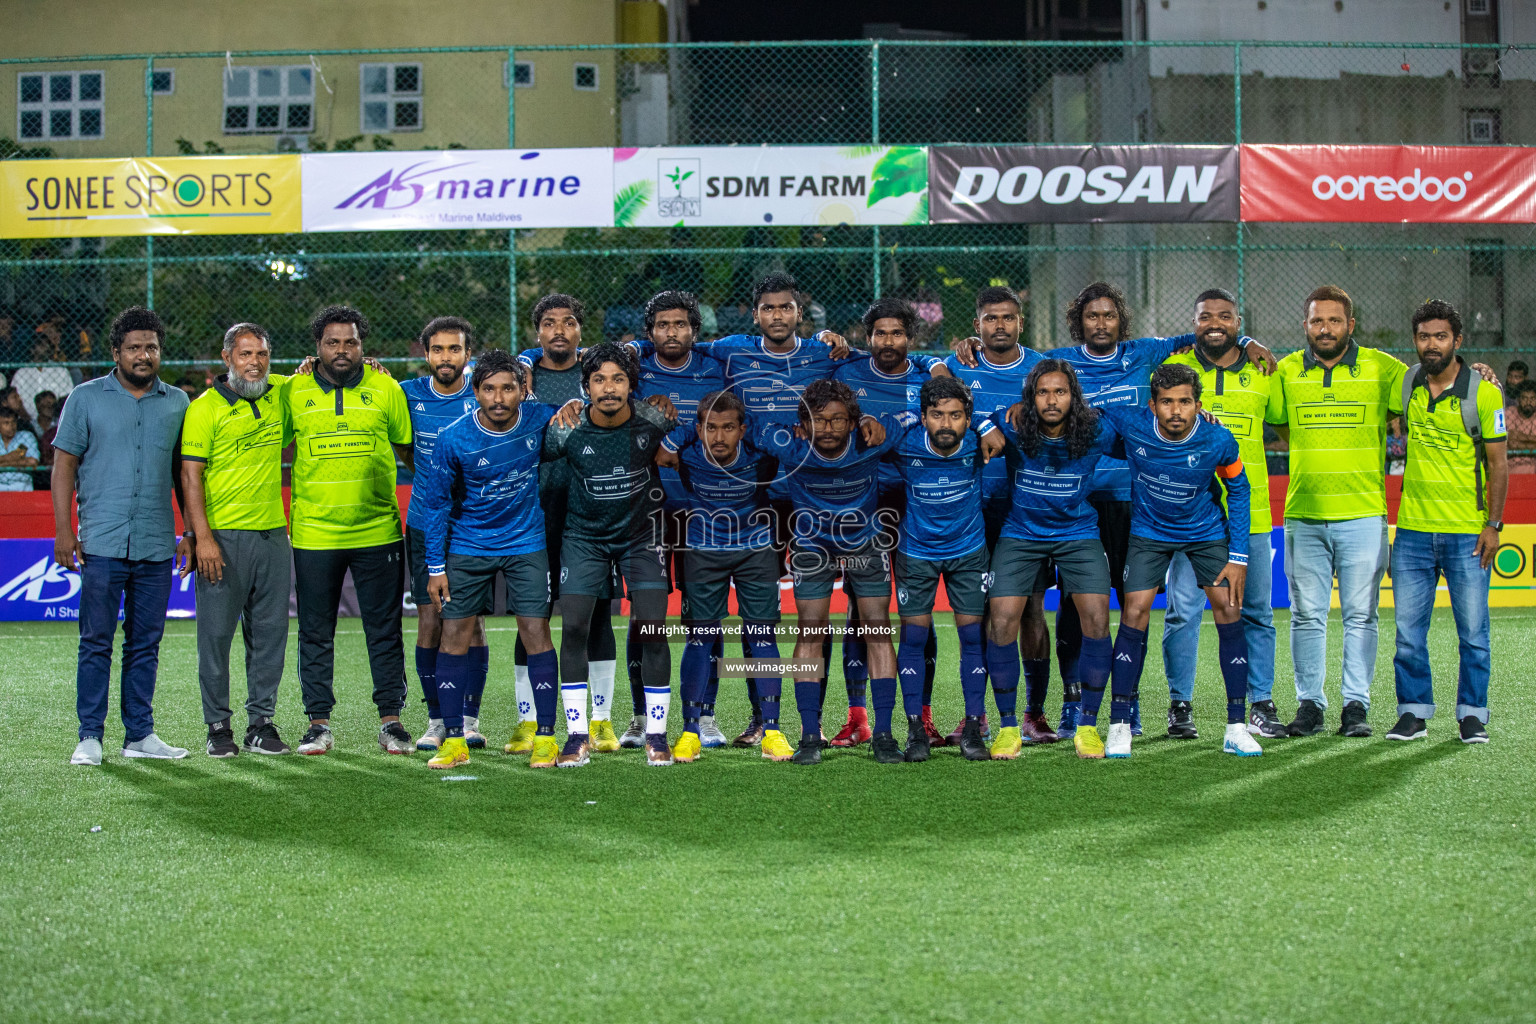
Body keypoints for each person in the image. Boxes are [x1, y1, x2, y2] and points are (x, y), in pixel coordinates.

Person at [708, 271, 859, 746]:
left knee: (817, 613)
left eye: (786, 308)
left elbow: (880, 362)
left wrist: (934, 366)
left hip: (811, 498)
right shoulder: (730, 349)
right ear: (756, 315)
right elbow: (669, 350)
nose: (777, 315)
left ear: (800, 312)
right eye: (768, 308)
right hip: (750, 496)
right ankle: (762, 717)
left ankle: (825, 713)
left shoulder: (824, 353)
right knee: (762, 616)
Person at [1265, 286, 1408, 738]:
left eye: (1333, 320)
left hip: (1365, 515)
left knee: (1361, 615)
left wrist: (1477, 371)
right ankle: (1310, 705)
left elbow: (1434, 381)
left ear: (1351, 324)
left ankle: (1356, 705)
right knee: (1307, 615)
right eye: (1316, 321)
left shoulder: (1384, 368)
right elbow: (1280, 426)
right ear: (1305, 326)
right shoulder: (1285, 372)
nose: (1324, 328)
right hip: (1304, 514)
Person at [53, 306, 193, 766]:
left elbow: (185, 476)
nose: (143, 355)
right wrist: (63, 531)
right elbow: (64, 466)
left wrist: (191, 532)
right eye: (133, 347)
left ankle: (140, 735)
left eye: (151, 347)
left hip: (156, 543)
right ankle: (89, 735)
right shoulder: (85, 398)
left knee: (145, 644)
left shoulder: (178, 403)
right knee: (95, 640)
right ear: (116, 352)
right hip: (101, 542)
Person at [1099, 364, 1260, 759]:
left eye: (1185, 402)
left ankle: (1236, 727)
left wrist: (1238, 557)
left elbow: (1239, 491)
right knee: (1134, 609)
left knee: (1228, 606)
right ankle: (1119, 724)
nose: (1176, 411)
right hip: (1149, 533)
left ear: (1198, 405)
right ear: (1152, 405)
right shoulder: (1131, 421)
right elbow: (1090, 407)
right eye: (1167, 402)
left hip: (1204, 531)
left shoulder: (1219, 439)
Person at [417, 351, 568, 769]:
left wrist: (576, 405)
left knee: (536, 632)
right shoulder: (453, 437)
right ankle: (453, 740)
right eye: (488, 388)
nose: (498, 397)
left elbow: (586, 414)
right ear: (476, 391)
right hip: (468, 545)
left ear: (523, 390)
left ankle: (545, 738)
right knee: (454, 636)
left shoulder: (540, 419)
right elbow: (436, 505)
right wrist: (435, 567)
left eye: (507, 388)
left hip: (526, 543)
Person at [282, 305, 416, 756]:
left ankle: (392, 722)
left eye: (351, 342)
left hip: (378, 531)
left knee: (385, 628)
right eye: (332, 342)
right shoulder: (293, 390)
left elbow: (410, 452)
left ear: (364, 346)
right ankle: (318, 723)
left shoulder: (385, 387)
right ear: (316, 347)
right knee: (315, 631)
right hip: (314, 534)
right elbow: (272, 444)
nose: (342, 350)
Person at [751, 379, 901, 765]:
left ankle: (883, 734)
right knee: (811, 629)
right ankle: (809, 737)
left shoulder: (871, 440)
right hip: (813, 548)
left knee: (877, 629)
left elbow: (911, 418)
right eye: (819, 420)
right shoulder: (792, 445)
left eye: (837, 420)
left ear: (852, 423)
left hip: (865, 545)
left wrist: (873, 418)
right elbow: (746, 424)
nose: (829, 428)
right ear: (804, 424)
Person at [544, 343, 679, 767]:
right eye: (599, 379)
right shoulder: (565, 429)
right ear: (585, 387)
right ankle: (576, 735)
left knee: (654, 630)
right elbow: (530, 449)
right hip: (584, 537)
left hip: (642, 537)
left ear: (631, 386)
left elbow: (689, 440)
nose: (608, 388)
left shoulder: (654, 420)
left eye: (618, 379)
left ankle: (657, 736)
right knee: (575, 629)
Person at [1161, 290, 1284, 740]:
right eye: (1206, 316)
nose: (1216, 323)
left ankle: (1261, 703)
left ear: (1239, 321)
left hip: (1249, 519)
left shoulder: (1265, 369)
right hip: (1190, 517)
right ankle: (1180, 704)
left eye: (1226, 317)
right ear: (1192, 322)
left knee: (1257, 612)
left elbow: (1287, 426)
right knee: (1182, 613)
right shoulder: (1175, 369)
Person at [985, 361, 1119, 760]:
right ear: (1030, 398)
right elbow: (973, 420)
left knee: (1096, 617)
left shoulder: (1096, 429)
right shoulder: (1012, 425)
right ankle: (1009, 727)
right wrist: (983, 425)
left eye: (1060, 392)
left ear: (1073, 397)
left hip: (1078, 533)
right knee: (1003, 618)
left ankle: (1088, 726)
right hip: (1021, 533)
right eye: (1042, 392)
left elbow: (1143, 431)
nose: (1051, 400)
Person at [1387, 300, 1507, 745]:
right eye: (1423, 336)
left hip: (1467, 533)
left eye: (1441, 336)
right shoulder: (1406, 384)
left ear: (1458, 341)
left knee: (1473, 632)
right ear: (1415, 340)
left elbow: (1498, 464)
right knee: (1407, 634)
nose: (1431, 344)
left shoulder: (1485, 393)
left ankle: (1472, 714)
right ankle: (1413, 713)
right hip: (1414, 530)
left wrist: (1494, 524)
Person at [941, 286, 1055, 744]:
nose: (1000, 326)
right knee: (978, 613)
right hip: (969, 509)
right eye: (991, 318)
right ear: (977, 325)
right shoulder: (957, 366)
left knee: (1028, 609)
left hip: (1025, 508)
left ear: (1021, 323)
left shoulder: (1041, 369)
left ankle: (1035, 712)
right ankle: (979, 713)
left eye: (1008, 318)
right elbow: (933, 398)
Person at [833, 297, 949, 748]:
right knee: (862, 613)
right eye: (880, 333)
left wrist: (938, 362)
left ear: (910, 338)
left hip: (917, 503)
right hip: (861, 505)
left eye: (897, 333)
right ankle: (858, 716)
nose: (888, 341)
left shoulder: (926, 379)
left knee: (917, 611)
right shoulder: (847, 374)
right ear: (868, 337)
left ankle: (923, 715)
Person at [179, 322, 293, 757]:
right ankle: (217, 726)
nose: (254, 363)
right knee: (215, 637)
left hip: (272, 536)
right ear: (227, 358)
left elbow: (319, 374)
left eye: (262, 354)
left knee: (269, 637)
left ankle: (261, 724)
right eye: (245, 354)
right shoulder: (204, 408)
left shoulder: (281, 391)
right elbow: (191, 476)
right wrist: (201, 537)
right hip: (222, 540)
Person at [656, 390, 788, 761]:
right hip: (702, 550)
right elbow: (664, 460)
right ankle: (689, 731)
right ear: (698, 429)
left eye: (728, 428)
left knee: (762, 634)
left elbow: (787, 443)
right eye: (710, 428)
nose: (719, 437)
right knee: (700, 637)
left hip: (756, 550)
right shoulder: (687, 455)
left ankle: (773, 731)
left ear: (742, 429)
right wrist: (680, 436)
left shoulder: (762, 455)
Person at [517, 294, 623, 754]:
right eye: (548, 323)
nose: (558, 330)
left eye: (569, 322)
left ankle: (600, 721)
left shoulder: (598, 374)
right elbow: (476, 369)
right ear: (536, 331)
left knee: (598, 616)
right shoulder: (521, 376)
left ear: (582, 330)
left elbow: (636, 353)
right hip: (534, 512)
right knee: (532, 616)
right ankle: (527, 722)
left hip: (589, 514)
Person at [627, 291, 730, 747]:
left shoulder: (716, 367)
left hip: (702, 509)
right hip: (644, 508)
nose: (672, 332)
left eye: (681, 324)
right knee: (644, 615)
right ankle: (638, 715)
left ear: (694, 329)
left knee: (704, 615)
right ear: (649, 333)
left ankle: (704, 715)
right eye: (663, 325)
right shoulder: (634, 369)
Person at [887, 377, 1001, 761]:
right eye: (937, 415)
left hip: (968, 551)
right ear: (923, 417)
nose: (946, 424)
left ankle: (973, 727)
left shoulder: (977, 442)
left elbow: (1009, 422)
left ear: (968, 419)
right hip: (916, 553)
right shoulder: (903, 444)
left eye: (956, 415)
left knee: (973, 639)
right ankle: (916, 729)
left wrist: (986, 424)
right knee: (913, 641)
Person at [400, 317, 483, 753]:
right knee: (430, 617)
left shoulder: (484, 395)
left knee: (472, 622)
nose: (445, 357)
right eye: (437, 349)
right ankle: (436, 720)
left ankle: (469, 718)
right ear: (426, 353)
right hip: (424, 522)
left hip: (474, 524)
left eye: (454, 349)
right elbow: (403, 444)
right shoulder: (407, 394)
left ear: (468, 354)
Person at [10, 334, 75, 420]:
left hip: (56, 421)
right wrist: (27, 420)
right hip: (27, 421)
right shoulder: (21, 373)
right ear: (32, 349)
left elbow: (67, 399)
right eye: (41, 345)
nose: (47, 347)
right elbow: (14, 402)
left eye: (48, 344)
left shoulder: (60, 370)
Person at [0, 405, 40, 491]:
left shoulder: (26, 436)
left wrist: (3, 465)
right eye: (6, 423)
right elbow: (18, 455)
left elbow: (32, 462)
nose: (11, 426)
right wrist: (15, 458)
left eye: (13, 422)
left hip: (22, 485)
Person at [1504, 381, 1536, 473]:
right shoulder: (1509, 413)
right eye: (1524, 398)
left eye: (1532, 398)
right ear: (1518, 399)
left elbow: (1514, 444)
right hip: (1511, 466)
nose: (1528, 402)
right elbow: (1511, 444)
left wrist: (1521, 437)